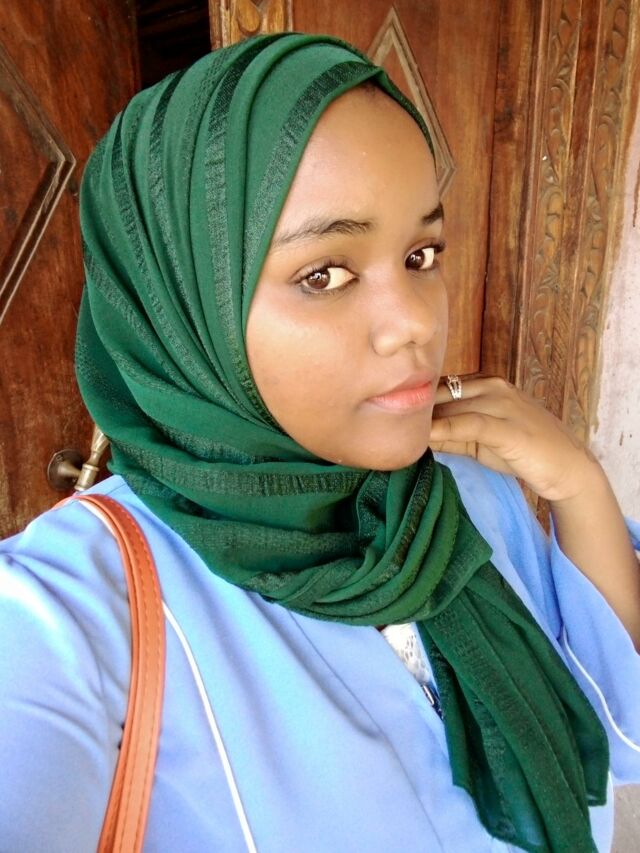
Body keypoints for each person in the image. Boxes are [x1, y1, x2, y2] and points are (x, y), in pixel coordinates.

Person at [0, 32, 639, 853]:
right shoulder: (75, 612)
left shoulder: (463, 492)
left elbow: (618, 730)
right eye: (324, 274)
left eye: (422, 254)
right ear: (182, 307)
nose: (414, 323)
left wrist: (579, 487)